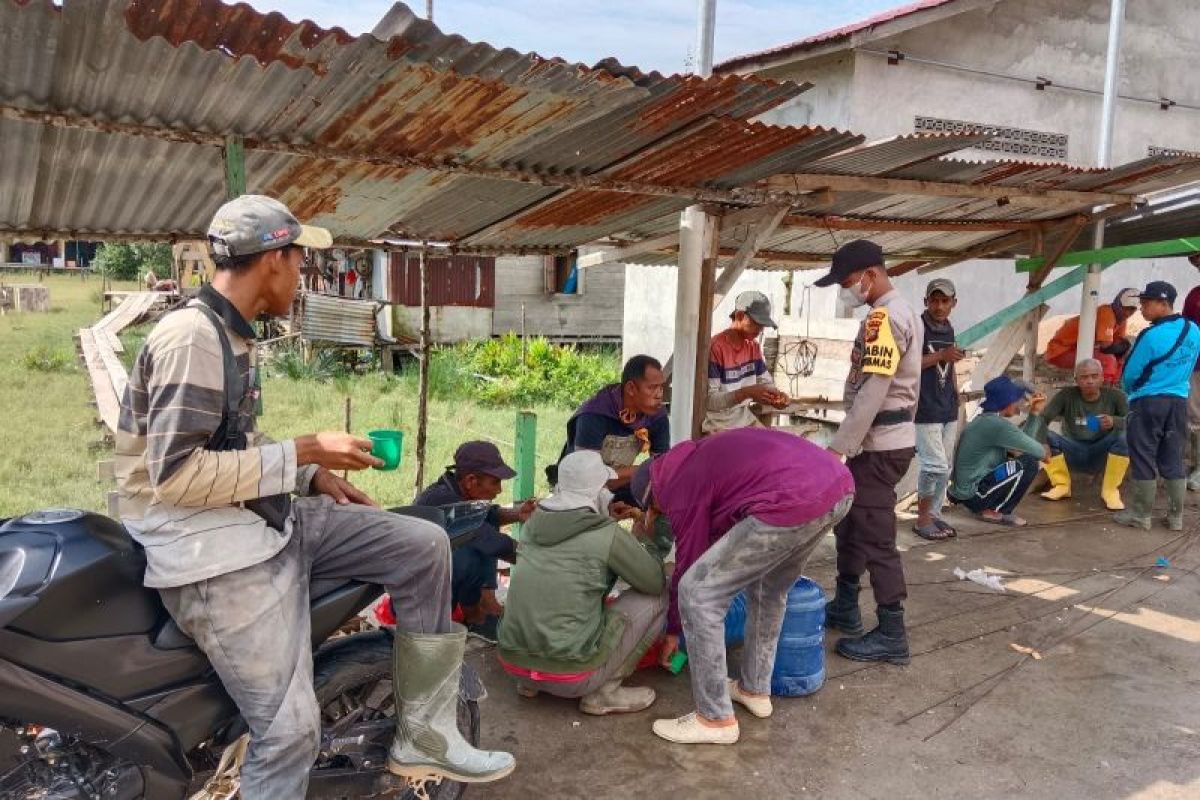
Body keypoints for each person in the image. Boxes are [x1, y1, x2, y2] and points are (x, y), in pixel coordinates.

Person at [113, 196, 513, 797]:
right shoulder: (191, 338)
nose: (303, 275)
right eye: (301, 260)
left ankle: (425, 732)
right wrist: (303, 452)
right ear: (274, 258)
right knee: (289, 733)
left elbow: (233, 443)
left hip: (267, 522)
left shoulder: (231, 336)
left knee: (424, 544)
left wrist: (311, 478)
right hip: (215, 557)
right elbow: (175, 476)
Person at [628, 428, 853, 745]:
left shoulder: (673, 487)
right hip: (836, 486)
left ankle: (714, 718)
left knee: (698, 593)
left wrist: (674, 630)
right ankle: (754, 690)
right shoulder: (695, 458)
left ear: (652, 500)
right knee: (769, 590)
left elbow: (690, 563)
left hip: (791, 499)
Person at [813, 239, 921, 665]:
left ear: (871, 276)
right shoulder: (902, 312)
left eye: (848, 282)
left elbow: (874, 389)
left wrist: (840, 448)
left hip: (877, 446)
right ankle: (845, 605)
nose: (846, 290)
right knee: (852, 524)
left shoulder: (885, 318)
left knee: (876, 537)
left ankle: (892, 633)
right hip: (878, 442)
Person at [497, 450, 667, 716]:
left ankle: (532, 685)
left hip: (513, 665)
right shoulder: (606, 534)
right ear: (599, 490)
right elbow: (653, 582)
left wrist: (606, 520)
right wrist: (643, 536)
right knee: (660, 596)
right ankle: (604, 693)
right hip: (572, 679)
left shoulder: (532, 525)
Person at [414, 441, 535, 640]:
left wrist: (517, 514)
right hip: (419, 595)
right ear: (471, 481)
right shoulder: (442, 501)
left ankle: (485, 604)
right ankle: (475, 617)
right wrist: (543, 560)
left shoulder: (457, 491)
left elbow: (488, 514)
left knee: (482, 521)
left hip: (434, 582)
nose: (499, 490)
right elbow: (493, 542)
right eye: (495, 482)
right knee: (473, 549)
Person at [1114, 281, 1200, 530]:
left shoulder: (1150, 335)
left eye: (1146, 303)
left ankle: (1141, 515)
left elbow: (1131, 373)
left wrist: (1131, 391)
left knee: (1143, 456)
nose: (1142, 308)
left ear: (1164, 304)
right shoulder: (1193, 329)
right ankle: (1176, 518)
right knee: (1173, 458)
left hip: (1149, 402)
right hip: (1179, 402)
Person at [553, 354, 669, 500]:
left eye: (661, 387)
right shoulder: (594, 414)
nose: (659, 395)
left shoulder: (657, 416)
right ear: (631, 388)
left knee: (663, 492)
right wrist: (638, 471)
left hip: (619, 484)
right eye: (652, 388)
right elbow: (585, 477)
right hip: (579, 491)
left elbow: (662, 468)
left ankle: (644, 522)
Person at [948, 376, 1050, 527]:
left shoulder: (988, 420)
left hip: (968, 492)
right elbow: (1039, 452)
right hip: (974, 495)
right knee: (1029, 463)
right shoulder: (996, 425)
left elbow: (1025, 445)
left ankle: (989, 506)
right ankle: (995, 511)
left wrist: (1034, 413)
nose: (1020, 405)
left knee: (1024, 459)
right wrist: (1044, 450)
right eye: (1018, 400)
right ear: (1007, 402)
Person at [1037, 359, 1130, 510]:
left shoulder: (1116, 396)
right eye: (1084, 377)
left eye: (1094, 376)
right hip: (1072, 449)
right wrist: (1042, 442)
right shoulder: (1066, 395)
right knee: (1044, 435)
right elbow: (1042, 419)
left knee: (1125, 437)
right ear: (1076, 380)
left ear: (1102, 378)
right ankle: (1061, 486)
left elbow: (1135, 422)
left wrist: (1115, 422)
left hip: (1102, 451)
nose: (1090, 381)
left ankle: (1110, 490)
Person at [913, 278, 964, 540]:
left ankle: (934, 515)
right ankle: (922, 520)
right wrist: (941, 356)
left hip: (947, 408)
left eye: (945, 301)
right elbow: (907, 365)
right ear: (926, 301)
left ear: (953, 303)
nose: (939, 306)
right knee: (934, 466)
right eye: (934, 300)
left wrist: (956, 394)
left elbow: (950, 366)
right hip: (925, 408)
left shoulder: (948, 329)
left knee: (945, 467)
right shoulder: (918, 326)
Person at [703, 290, 789, 433]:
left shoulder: (753, 346)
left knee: (773, 444)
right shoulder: (716, 347)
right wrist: (747, 393)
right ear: (739, 316)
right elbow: (711, 402)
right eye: (757, 323)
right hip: (718, 423)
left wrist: (777, 396)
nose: (760, 329)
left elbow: (765, 383)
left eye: (763, 325)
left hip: (743, 417)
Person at [1044, 288, 1140, 383]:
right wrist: (1121, 347)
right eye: (1126, 308)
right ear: (1119, 304)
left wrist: (1123, 349)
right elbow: (1105, 345)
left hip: (1080, 349)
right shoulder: (1107, 313)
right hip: (1062, 351)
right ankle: (1104, 389)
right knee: (1108, 360)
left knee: (1122, 358)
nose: (1128, 313)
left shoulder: (1121, 319)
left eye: (1132, 310)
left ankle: (1114, 386)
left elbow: (1119, 342)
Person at [1181, 253, 1200, 490]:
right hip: (1195, 365)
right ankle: (1197, 466)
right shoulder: (1195, 295)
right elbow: (1185, 327)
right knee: (1194, 416)